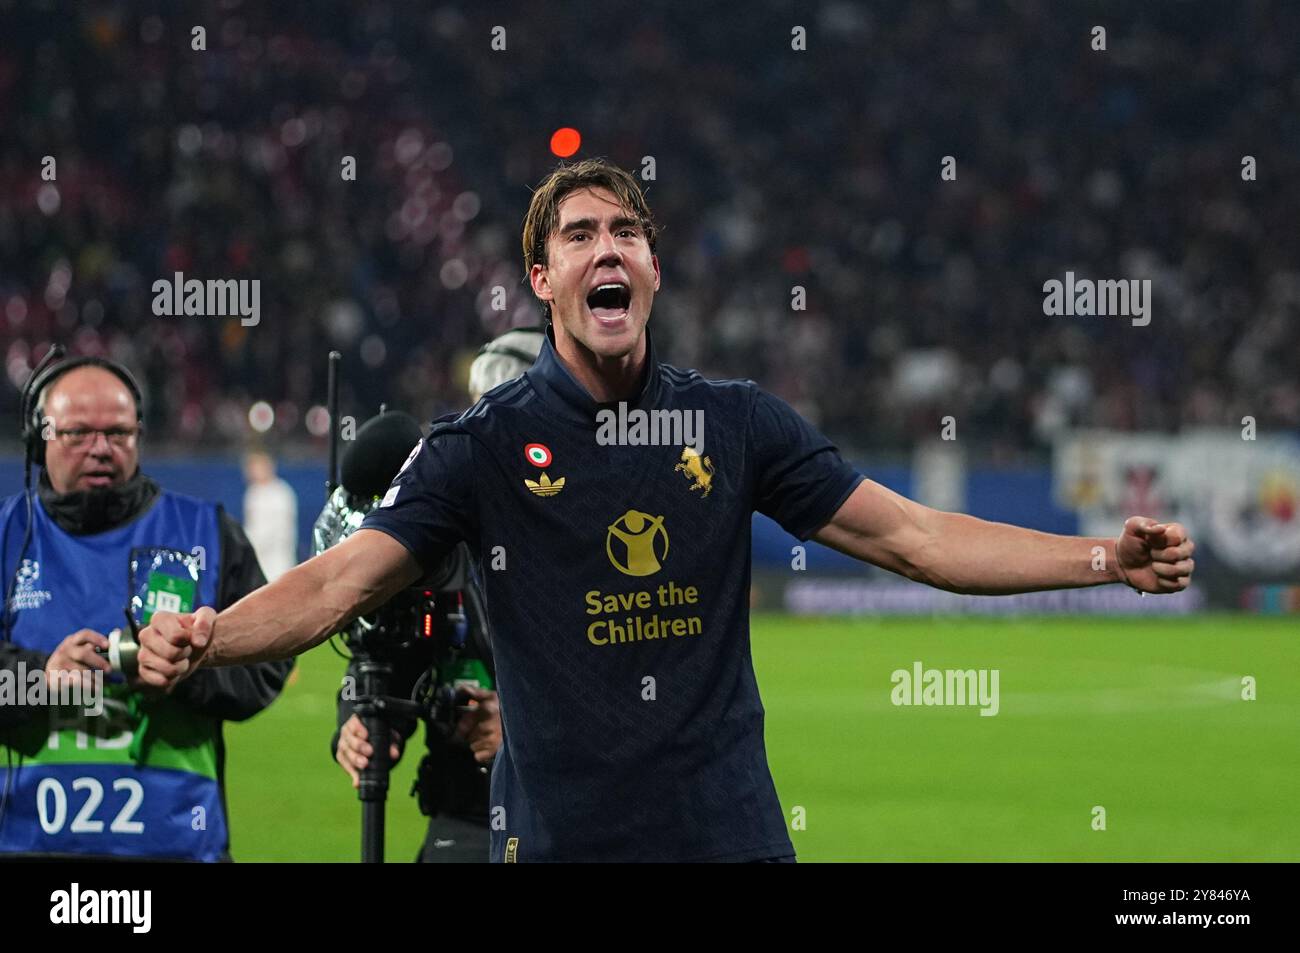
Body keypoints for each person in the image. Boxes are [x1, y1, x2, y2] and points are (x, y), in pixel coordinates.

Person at [136, 158, 1196, 863]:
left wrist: (1106, 556)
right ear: (541, 275)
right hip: (560, 842)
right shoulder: (481, 445)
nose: (609, 247)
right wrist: (212, 635)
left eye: (628, 233)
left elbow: (912, 537)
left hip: (728, 836)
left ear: (652, 267)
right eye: (582, 233)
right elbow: (336, 581)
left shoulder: (734, 423)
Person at [0, 354, 292, 861]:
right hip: (29, 846)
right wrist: (37, 676)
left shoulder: (209, 534)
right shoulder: (5, 537)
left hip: (179, 848)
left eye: (118, 433)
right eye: (77, 434)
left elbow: (268, 666)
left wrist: (190, 669)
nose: (100, 449)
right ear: (38, 437)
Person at [331, 326, 542, 862]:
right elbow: (388, 652)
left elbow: (642, 693)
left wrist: (522, 734)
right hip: (464, 817)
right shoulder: (446, 534)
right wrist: (359, 723)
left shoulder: (601, 530)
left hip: (572, 820)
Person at [242, 451, 299, 582]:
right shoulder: (253, 493)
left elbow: (276, 531)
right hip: (257, 562)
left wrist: (249, 546)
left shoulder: (281, 493)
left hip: (278, 562)